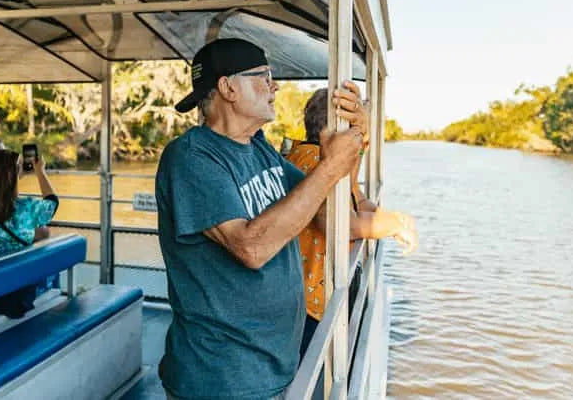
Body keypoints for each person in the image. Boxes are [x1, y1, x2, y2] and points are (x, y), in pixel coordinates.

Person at [156, 38, 369, 399]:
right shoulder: (190, 159)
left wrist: (357, 137)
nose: (275, 87)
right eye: (265, 77)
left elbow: (320, 204)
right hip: (222, 380)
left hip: (273, 366)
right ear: (228, 88)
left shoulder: (258, 148)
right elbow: (251, 247)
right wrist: (330, 165)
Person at [287, 88, 418, 398]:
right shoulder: (313, 162)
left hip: (311, 294)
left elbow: (355, 198)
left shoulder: (324, 159)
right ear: (335, 130)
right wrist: (394, 224)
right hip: (306, 301)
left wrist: (389, 217)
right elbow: (334, 221)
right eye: (360, 134)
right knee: (307, 378)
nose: (365, 144)